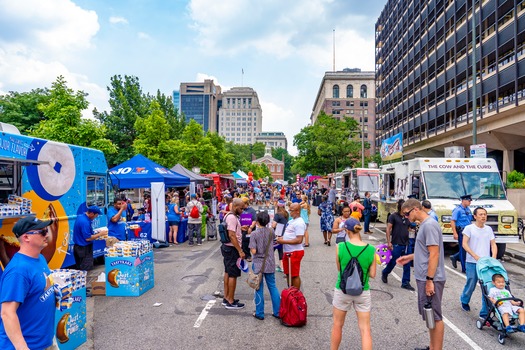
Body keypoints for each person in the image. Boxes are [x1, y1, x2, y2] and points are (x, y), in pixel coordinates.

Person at [0, 216, 57, 350]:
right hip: (28, 345)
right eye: (42, 232)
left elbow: (43, 287)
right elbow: (7, 313)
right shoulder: (18, 271)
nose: (47, 234)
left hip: (45, 341)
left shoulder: (40, 258)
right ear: (26, 237)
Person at [397, 199, 446, 350]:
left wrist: (430, 280)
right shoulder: (424, 225)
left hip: (430, 277)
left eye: (406, 214)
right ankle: (432, 347)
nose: (406, 217)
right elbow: (425, 251)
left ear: (415, 209)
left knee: (435, 316)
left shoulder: (429, 225)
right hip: (425, 276)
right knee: (429, 314)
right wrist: (411, 257)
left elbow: (434, 254)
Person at [330, 218, 376, 350]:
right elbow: (372, 274)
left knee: (337, 325)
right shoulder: (371, 249)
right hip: (363, 290)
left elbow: (340, 269)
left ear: (346, 230)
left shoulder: (340, 247)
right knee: (365, 329)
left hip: (343, 290)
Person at [460, 207, 497, 318]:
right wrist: (475, 256)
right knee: (471, 283)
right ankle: (464, 300)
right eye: (480, 214)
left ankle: (484, 313)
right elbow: (464, 244)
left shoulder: (489, 229)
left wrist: (493, 258)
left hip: (485, 263)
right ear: (475, 216)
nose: (483, 216)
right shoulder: (469, 228)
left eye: (485, 214)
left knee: (487, 287)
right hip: (472, 261)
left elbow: (493, 244)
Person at [249, 211, 281, 320]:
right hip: (270, 262)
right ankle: (277, 311)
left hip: (258, 264)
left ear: (257, 222)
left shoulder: (254, 234)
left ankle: (260, 313)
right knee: (272, 286)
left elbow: (253, 251)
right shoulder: (271, 231)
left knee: (258, 288)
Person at [381, 199, 414, 291]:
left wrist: (411, 230)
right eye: (405, 207)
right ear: (400, 207)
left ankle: (405, 282)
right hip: (396, 244)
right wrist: (389, 242)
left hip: (406, 244)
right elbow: (388, 229)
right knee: (393, 262)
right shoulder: (393, 216)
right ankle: (385, 272)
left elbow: (408, 228)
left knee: (407, 263)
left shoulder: (408, 218)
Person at [221, 198, 246, 309]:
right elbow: (231, 235)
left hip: (228, 248)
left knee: (227, 272)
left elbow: (233, 231)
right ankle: (230, 300)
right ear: (235, 207)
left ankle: (227, 297)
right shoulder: (232, 217)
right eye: (241, 208)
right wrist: (240, 250)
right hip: (232, 249)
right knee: (233, 274)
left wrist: (241, 228)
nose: (242, 210)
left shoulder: (230, 216)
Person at [276, 203, 305, 289]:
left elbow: (299, 240)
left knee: (294, 274)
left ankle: (295, 294)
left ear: (297, 211)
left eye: (291, 210)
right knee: (288, 273)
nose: (290, 212)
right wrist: (282, 238)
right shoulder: (291, 221)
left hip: (295, 251)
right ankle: (290, 291)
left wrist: (283, 241)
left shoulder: (299, 223)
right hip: (288, 251)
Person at [73, 206, 105, 270]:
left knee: (80, 267)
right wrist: (100, 234)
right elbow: (88, 238)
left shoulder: (81, 217)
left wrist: (95, 232)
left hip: (78, 247)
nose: (96, 217)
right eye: (96, 215)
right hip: (84, 248)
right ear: (92, 214)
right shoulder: (85, 222)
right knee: (86, 268)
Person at [450, 194, 473, 273]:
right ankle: (464, 268)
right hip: (461, 231)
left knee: (467, 248)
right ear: (464, 200)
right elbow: (453, 221)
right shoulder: (457, 210)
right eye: (469, 201)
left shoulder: (468, 210)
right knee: (463, 249)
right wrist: (455, 233)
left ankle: (455, 257)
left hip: (468, 231)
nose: (470, 202)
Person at [272, 200, 288, 272]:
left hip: (277, 234)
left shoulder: (277, 215)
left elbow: (273, 225)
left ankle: (270, 264)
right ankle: (282, 266)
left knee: (271, 249)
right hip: (284, 233)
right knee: (281, 250)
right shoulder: (286, 213)